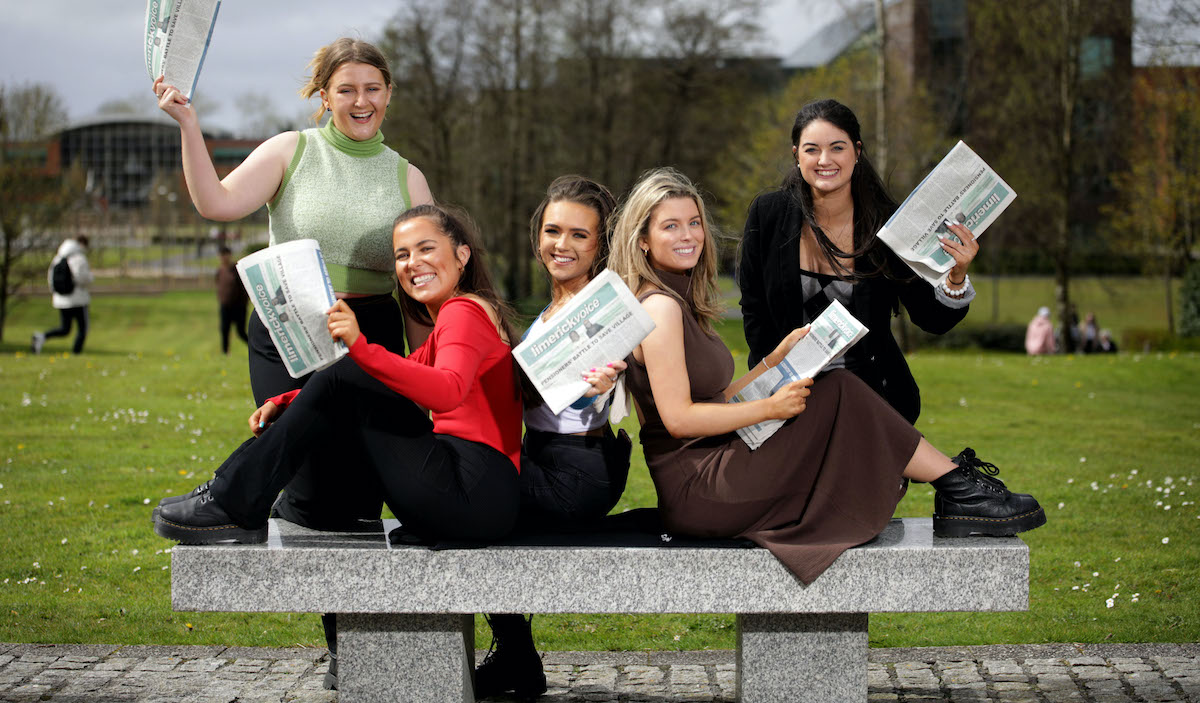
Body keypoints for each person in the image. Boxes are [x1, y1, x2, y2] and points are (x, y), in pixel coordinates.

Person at [610, 167, 1044, 584]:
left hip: (712, 469)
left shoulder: (676, 299)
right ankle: (957, 488)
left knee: (833, 387)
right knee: (836, 389)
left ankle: (956, 487)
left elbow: (716, 397)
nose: (688, 236)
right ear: (643, 240)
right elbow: (679, 419)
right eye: (670, 227)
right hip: (700, 486)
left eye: (694, 223)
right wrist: (769, 407)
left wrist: (772, 363)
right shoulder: (661, 308)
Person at [155, 204, 527, 687]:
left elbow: (448, 389)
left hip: (471, 488)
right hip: (473, 492)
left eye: (426, 249)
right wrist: (289, 399)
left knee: (354, 366)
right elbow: (389, 380)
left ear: (462, 255)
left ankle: (231, 501)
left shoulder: (463, 312)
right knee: (351, 373)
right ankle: (231, 497)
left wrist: (360, 346)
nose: (412, 262)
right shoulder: (456, 320)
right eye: (401, 254)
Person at [155, 37, 433, 532]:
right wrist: (189, 125)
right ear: (324, 96)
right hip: (289, 327)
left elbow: (420, 292)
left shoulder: (409, 180)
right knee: (313, 489)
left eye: (373, 88)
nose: (361, 101)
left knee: (352, 503)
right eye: (346, 90)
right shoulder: (291, 150)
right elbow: (216, 203)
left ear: (389, 92)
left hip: (370, 334)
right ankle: (252, 503)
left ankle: (249, 506)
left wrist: (423, 377)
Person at [475, 176, 631, 702]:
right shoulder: (549, 311)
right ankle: (516, 655)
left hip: (577, 469)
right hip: (544, 457)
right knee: (474, 511)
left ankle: (516, 657)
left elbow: (589, 399)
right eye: (552, 230)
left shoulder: (602, 308)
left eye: (579, 236)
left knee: (466, 503)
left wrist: (602, 389)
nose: (561, 245)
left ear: (600, 246)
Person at [738, 99, 977, 425]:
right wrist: (772, 385)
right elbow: (755, 312)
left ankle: (943, 474)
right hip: (788, 398)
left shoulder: (886, 223)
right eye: (811, 150)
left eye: (837, 147)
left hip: (873, 397)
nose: (824, 160)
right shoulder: (768, 215)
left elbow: (930, 318)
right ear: (796, 155)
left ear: (857, 151)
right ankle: (950, 475)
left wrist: (956, 278)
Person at [32, 235, 93, 355]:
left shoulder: (57, 258)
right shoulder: (79, 258)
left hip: (61, 300)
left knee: (65, 329)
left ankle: (42, 337)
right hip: (78, 299)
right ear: (83, 244)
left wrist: (57, 295)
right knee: (83, 328)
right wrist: (91, 278)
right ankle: (76, 353)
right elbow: (83, 278)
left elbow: (51, 279)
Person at [215, 246, 248, 354]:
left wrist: (244, 303)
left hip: (238, 306)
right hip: (225, 305)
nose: (223, 258)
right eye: (221, 255)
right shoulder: (220, 271)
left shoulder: (236, 269)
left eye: (225, 255)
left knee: (240, 332)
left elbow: (244, 288)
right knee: (224, 329)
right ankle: (225, 352)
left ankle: (253, 347)